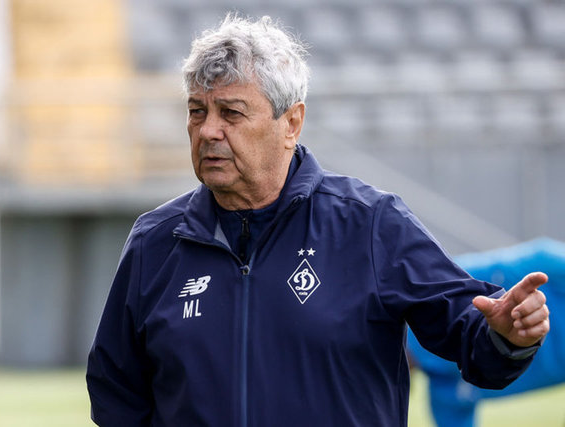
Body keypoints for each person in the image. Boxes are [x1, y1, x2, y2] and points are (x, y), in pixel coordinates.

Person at [86, 14, 550, 427]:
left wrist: (506, 336)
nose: (208, 130)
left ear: (291, 124)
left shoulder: (371, 224)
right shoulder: (154, 242)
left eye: (231, 113)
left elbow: (470, 335)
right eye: (196, 111)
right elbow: (115, 394)